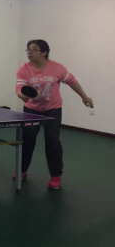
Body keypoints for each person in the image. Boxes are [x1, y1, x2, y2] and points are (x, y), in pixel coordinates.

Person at [15, 39, 94, 190]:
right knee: (27, 140)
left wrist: (84, 96)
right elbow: (19, 89)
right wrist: (23, 96)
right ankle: (22, 170)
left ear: (44, 52)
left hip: (52, 109)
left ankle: (56, 175)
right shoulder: (23, 69)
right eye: (28, 49)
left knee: (53, 141)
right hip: (31, 109)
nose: (29, 52)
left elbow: (72, 81)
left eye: (34, 49)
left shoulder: (57, 68)